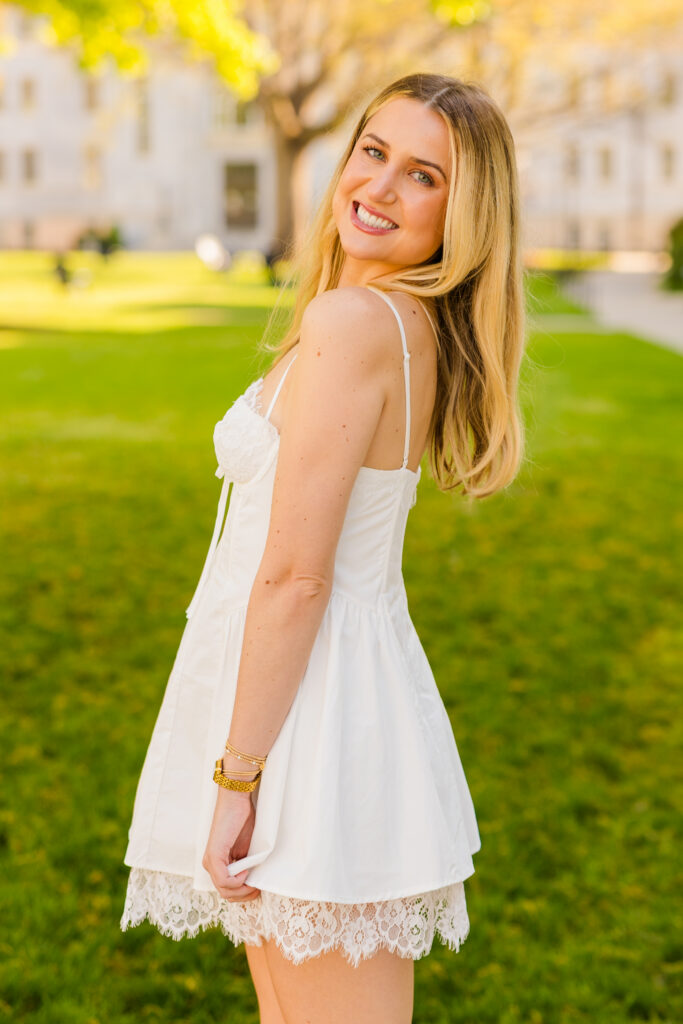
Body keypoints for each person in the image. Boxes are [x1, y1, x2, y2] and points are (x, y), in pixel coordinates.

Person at [120, 72, 526, 1023]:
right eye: (372, 151)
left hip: (314, 711)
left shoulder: (356, 325)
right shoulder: (373, 318)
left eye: (422, 176)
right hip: (295, 695)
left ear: (462, 216)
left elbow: (299, 578)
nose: (378, 188)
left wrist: (236, 778)